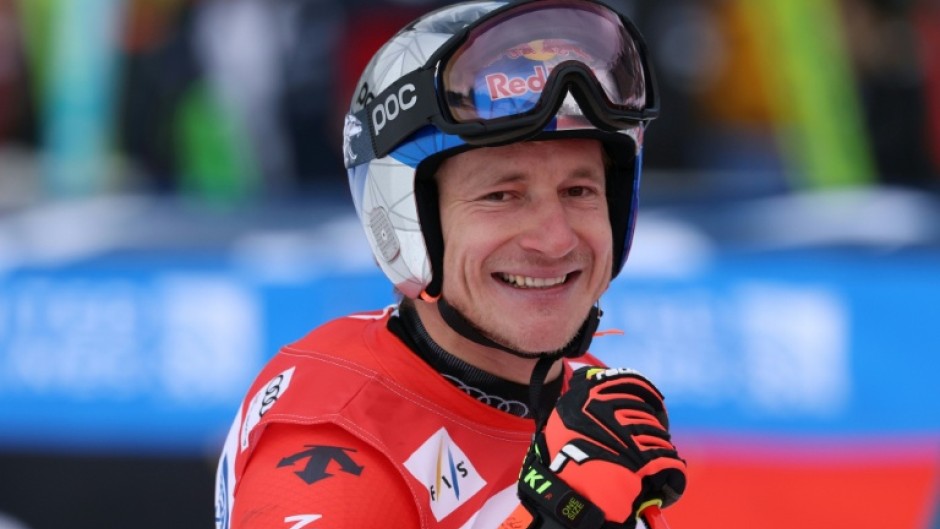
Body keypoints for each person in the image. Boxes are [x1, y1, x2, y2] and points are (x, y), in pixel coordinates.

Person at [214, 1, 687, 528]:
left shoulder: (584, 405)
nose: (555, 240)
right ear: (409, 221)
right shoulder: (335, 436)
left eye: (579, 191)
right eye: (501, 196)